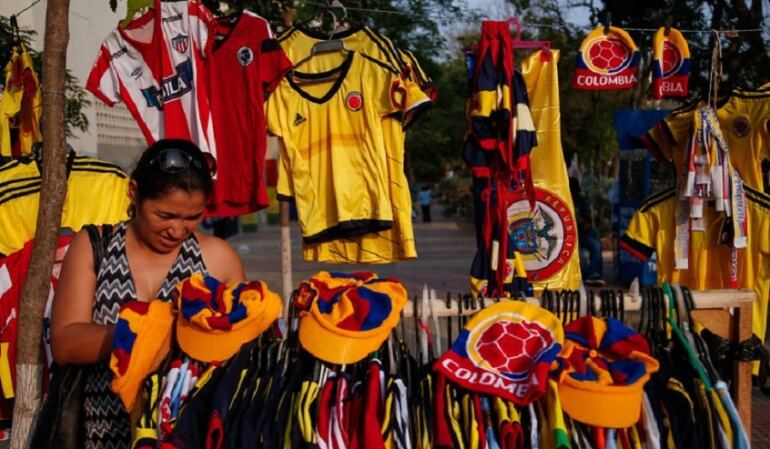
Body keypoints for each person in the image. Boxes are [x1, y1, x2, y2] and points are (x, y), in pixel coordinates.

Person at [50, 139, 247, 449]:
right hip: (102, 434)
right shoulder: (94, 246)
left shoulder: (218, 258)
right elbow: (65, 342)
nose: (178, 230)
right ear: (134, 193)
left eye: (192, 217)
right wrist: (146, 332)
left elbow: (240, 355)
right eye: (165, 215)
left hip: (186, 436)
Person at [570, 176, 604, 286]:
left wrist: (585, 223)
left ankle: (594, 273)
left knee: (596, 245)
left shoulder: (581, 201)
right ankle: (584, 274)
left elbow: (588, 219)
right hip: (570, 236)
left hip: (583, 233)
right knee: (578, 250)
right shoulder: (564, 199)